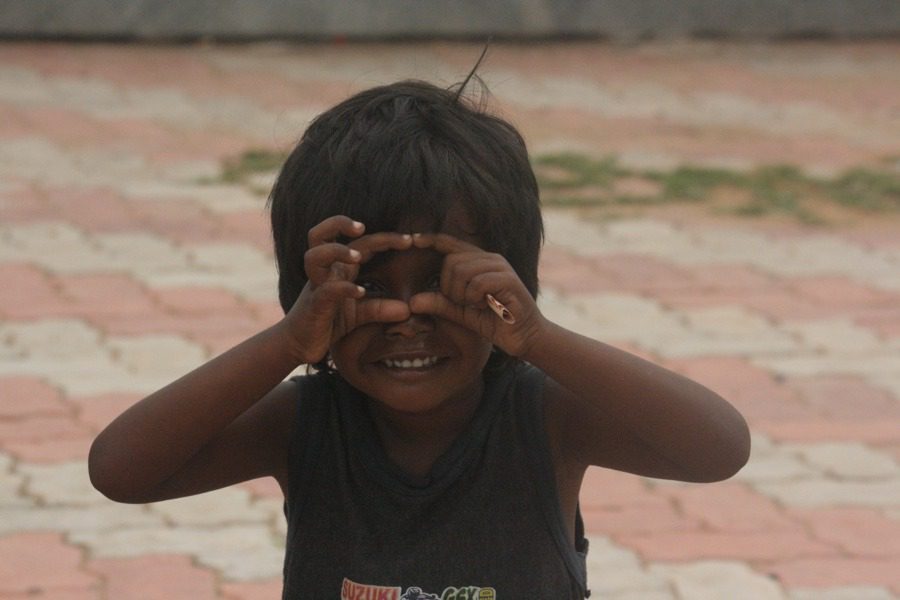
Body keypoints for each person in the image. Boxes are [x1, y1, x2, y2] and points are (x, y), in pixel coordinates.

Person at [89, 70, 750, 599]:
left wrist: (540, 337)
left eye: (445, 282)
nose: (404, 315)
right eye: (368, 286)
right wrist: (287, 344)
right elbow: (120, 471)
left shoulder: (544, 416)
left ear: (506, 285)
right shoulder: (305, 423)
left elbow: (717, 450)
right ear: (311, 296)